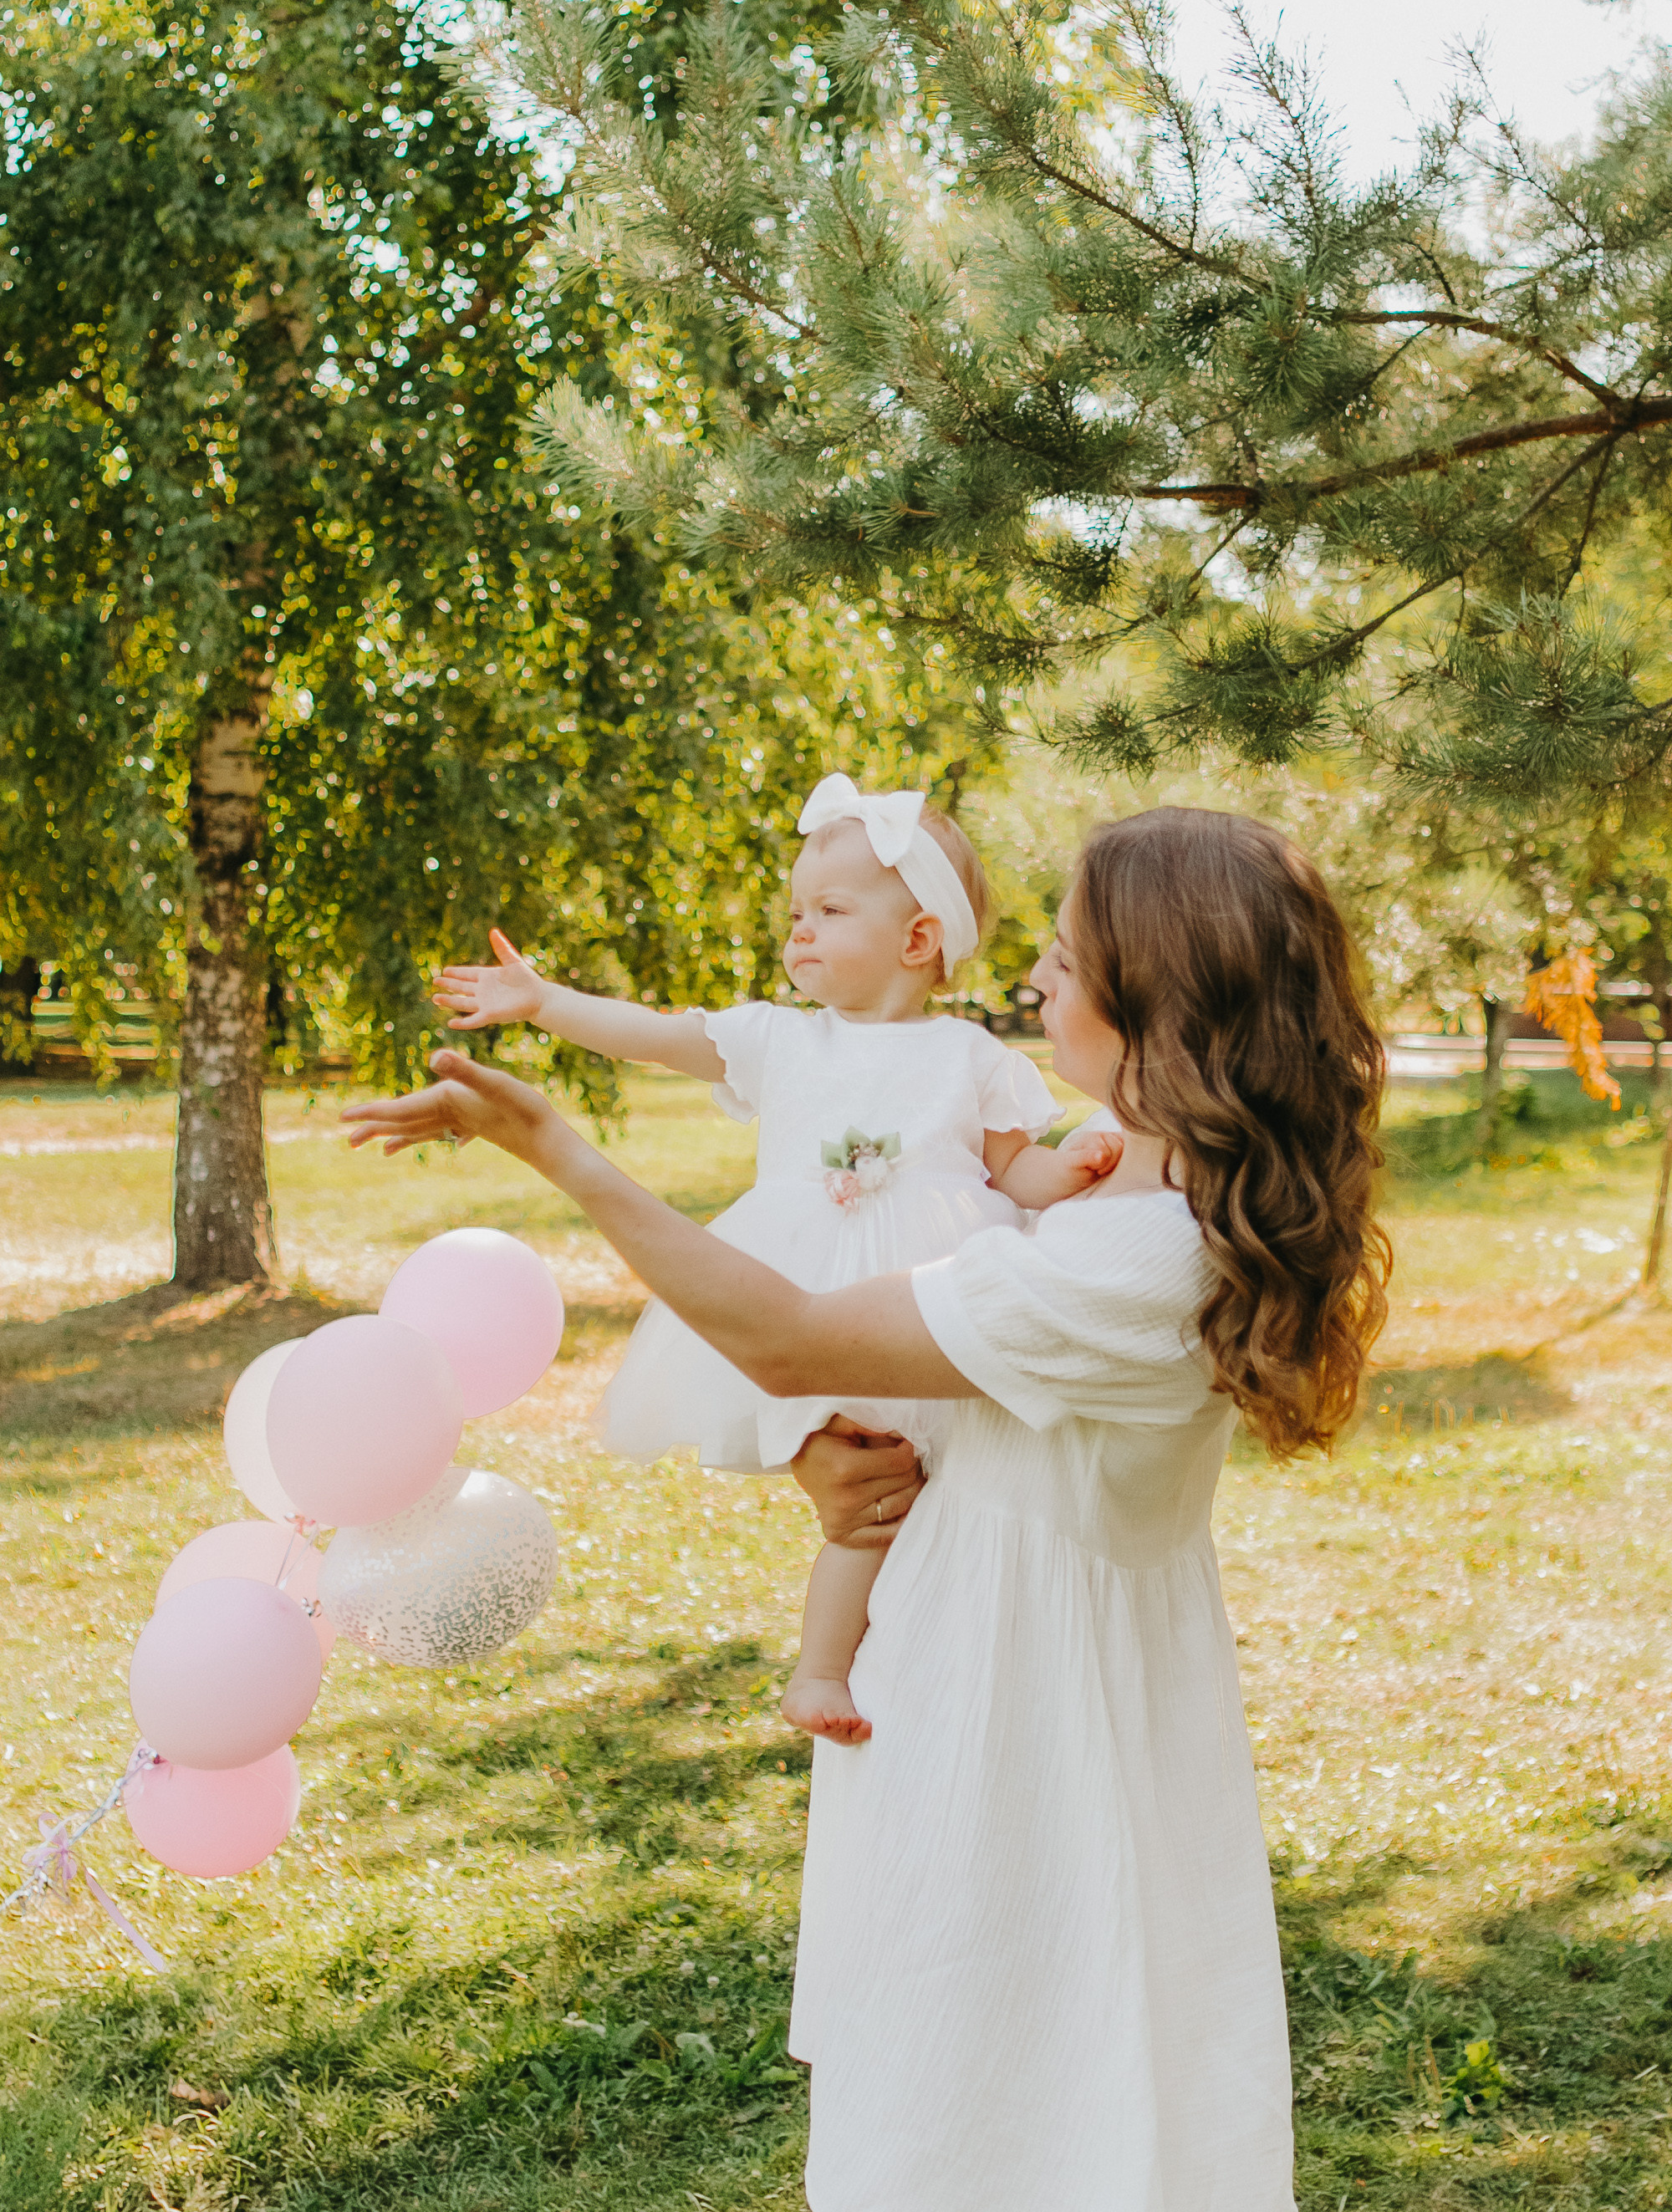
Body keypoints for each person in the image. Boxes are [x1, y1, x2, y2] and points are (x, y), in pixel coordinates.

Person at [344, 805, 1390, 2212]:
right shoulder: (1126, 1162)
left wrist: (560, 1150)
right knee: (1019, 2074)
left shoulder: (1145, 1257)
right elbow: (896, 1385)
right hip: (991, 1661)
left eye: (1072, 964)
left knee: (1001, 2089)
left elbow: (792, 1340)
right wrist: (811, 1462)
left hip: (1019, 1719)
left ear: (1162, 1003)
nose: (1038, 984)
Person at [428, 771, 1113, 1741]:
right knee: (863, 1496)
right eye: (796, 910)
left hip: (926, 1302)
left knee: (924, 1495)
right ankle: (821, 1669)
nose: (798, 930)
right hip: (795, 1293)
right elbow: (654, 1037)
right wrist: (543, 1002)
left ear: (917, 941)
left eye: (829, 910)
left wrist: (1071, 1166)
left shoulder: (970, 1059)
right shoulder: (778, 1040)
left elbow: (1015, 1172)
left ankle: (928, 1672)